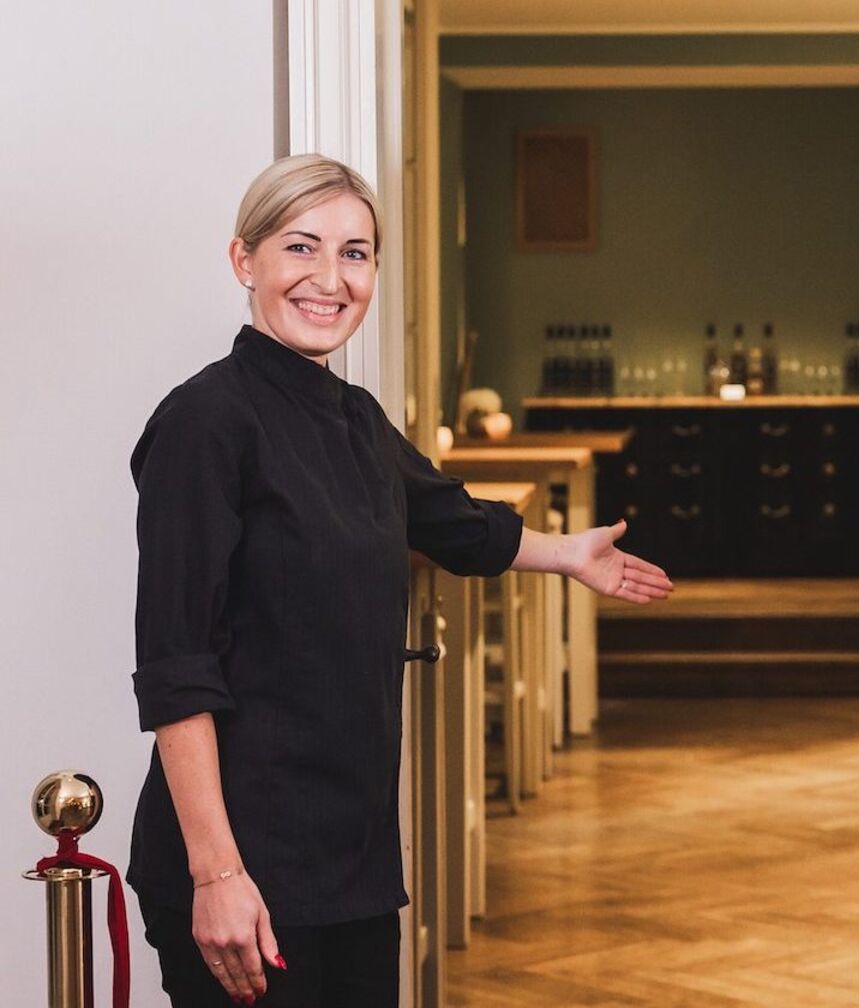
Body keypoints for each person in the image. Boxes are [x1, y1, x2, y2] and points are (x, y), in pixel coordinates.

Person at [128, 154, 674, 1006]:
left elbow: (451, 520)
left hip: (353, 858)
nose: (330, 279)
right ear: (246, 262)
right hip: (243, 869)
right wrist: (215, 875)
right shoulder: (204, 424)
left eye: (356, 254)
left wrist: (568, 554)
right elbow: (174, 668)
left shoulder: (353, 419)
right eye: (301, 248)